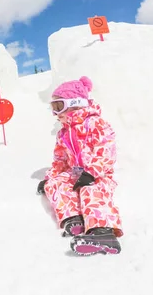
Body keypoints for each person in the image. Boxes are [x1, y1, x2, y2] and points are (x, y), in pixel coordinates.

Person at [37, 76, 123, 256]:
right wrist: (49, 178)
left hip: (99, 175)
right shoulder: (64, 132)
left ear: (75, 103)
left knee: (89, 190)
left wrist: (91, 173)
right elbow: (60, 160)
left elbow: (106, 151)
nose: (56, 113)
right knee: (55, 184)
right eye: (53, 108)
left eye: (59, 106)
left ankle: (102, 232)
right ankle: (74, 218)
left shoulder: (95, 124)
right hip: (76, 172)